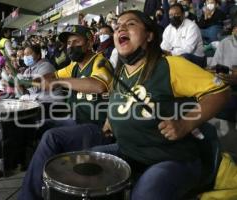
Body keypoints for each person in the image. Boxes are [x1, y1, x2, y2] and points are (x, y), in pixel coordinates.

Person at [90, 9, 230, 199]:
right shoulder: (120, 72)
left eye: (130, 23)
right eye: (117, 26)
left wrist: (185, 124)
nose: (120, 27)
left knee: (147, 193)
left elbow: (220, 91)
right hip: (130, 150)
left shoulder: (171, 65)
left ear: (149, 35)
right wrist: (110, 120)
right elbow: (119, 100)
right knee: (88, 162)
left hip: (172, 158)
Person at [18, 25, 114, 200]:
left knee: (51, 137)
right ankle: (44, 181)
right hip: (78, 120)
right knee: (40, 125)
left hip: (99, 126)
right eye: (69, 43)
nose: (71, 46)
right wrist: (40, 80)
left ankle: (28, 196)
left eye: (76, 41)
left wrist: (59, 82)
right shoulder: (74, 66)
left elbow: (98, 85)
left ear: (90, 42)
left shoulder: (100, 62)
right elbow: (53, 76)